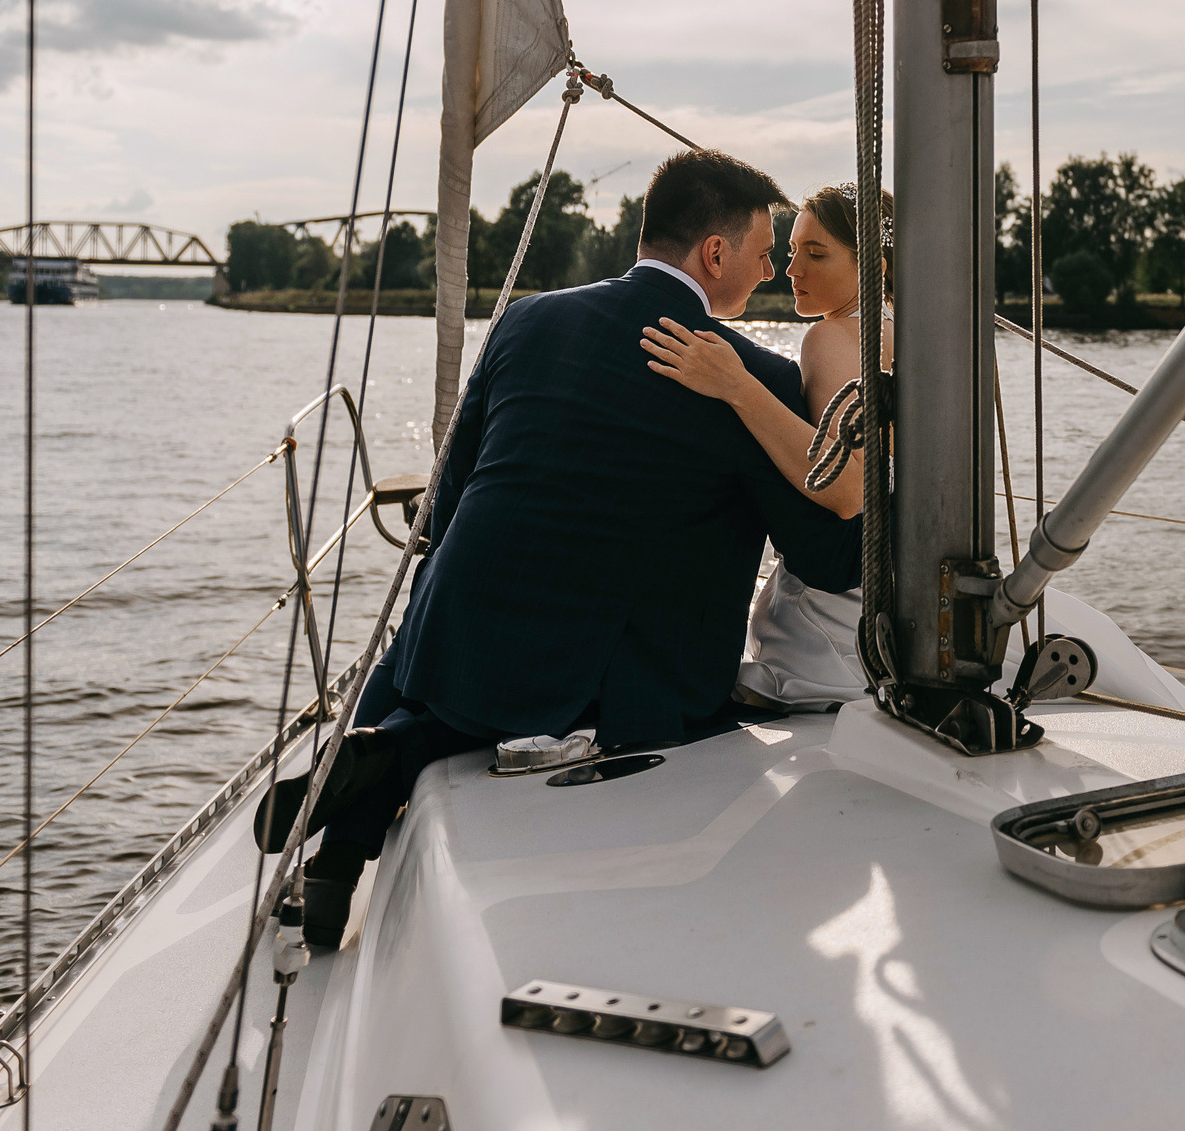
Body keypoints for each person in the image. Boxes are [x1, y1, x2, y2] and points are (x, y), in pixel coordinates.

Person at [255, 149, 862, 945]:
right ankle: (382, 769)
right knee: (590, 657)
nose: (767, 274)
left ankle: (336, 862)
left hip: (455, 644)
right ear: (715, 253)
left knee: (420, 645)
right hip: (618, 685)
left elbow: (444, 497)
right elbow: (826, 555)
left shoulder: (528, 318)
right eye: (760, 253)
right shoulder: (743, 374)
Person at [641, 183, 889, 708]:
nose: (792, 269)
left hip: (842, 613)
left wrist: (736, 385)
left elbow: (848, 488)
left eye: (816, 254)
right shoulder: (920, 336)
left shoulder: (834, 337)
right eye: (793, 249)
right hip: (904, 580)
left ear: (877, 266)